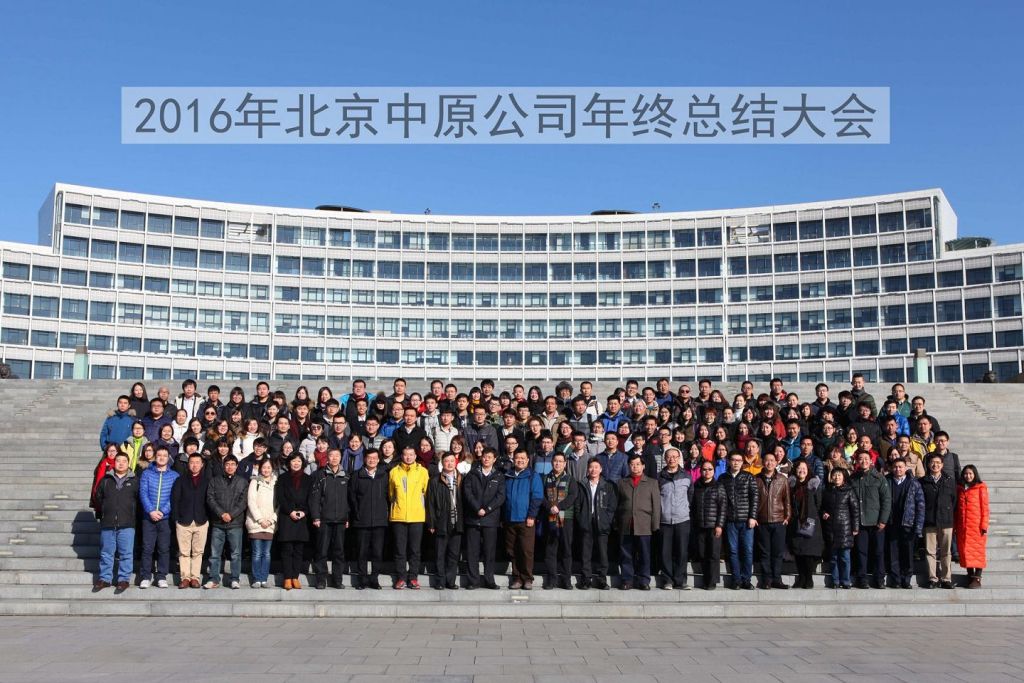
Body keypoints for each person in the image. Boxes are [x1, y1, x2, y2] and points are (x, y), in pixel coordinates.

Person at [615, 453, 661, 590]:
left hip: (644, 524)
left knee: (644, 554)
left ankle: (643, 580)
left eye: (638, 464)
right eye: (632, 464)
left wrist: (655, 524)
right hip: (626, 523)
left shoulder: (652, 483)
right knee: (626, 554)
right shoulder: (622, 483)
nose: (635, 467)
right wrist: (616, 523)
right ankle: (627, 580)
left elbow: (656, 506)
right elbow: (617, 504)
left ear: (643, 466)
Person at [93, 451, 138, 592]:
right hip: (108, 522)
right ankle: (105, 579)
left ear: (128, 463)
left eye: (124, 461)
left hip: (127, 523)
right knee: (106, 552)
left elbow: (139, 501)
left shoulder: (135, 481)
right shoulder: (106, 480)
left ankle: (123, 579)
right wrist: (105, 511)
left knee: (126, 553)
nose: (121, 463)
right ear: (114, 463)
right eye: (118, 461)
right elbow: (98, 498)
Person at [463, 447, 506, 590]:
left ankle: (489, 579)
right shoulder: (472, 474)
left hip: (491, 519)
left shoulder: (499, 476)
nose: (486, 459)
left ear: (494, 459)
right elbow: (467, 492)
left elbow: (500, 496)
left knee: (489, 551)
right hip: (473, 517)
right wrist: (477, 508)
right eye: (484, 456)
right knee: (472, 552)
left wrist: (487, 510)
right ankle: (473, 581)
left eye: (489, 457)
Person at [137, 446, 179, 589]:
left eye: (164, 455)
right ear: (155, 456)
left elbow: (174, 497)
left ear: (168, 458)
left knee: (164, 548)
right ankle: (145, 576)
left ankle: (161, 576)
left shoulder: (174, 476)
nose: (161, 458)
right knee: (147, 548)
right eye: (159, 455)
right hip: (148, 517)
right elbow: (143, 493)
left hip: (165, 518)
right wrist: (150, 511)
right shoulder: (147, 473)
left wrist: (162, 511)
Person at [388, 445, 429, 589]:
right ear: (402, 456)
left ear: (415, 456)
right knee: (400, 550)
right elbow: (391, 494)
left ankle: (413, 578)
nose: (408, 457)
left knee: (415, 550)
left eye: (411, 454)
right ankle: (401, 578)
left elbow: (426, 492)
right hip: (398, 516)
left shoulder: (423, 472)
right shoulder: (394, 471)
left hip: (417, 516)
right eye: (406, 454)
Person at [205, 453, 248, 589]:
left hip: (235, 523)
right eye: (227, 464)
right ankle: (214, 579)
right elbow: (210, 499)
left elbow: (243, 502)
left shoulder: (242, 482)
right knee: (215, 554)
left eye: (233, 464)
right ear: (223, 466)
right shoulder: (215, 481)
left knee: (235, 554)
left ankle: (235, 578)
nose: (230, 467)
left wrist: (231, 515)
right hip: (218, 523)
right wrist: (221, 513)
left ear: (236, 466)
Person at [309, 448, 351, 589]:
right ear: (327, 458)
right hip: (324, 519)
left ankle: (337, 580)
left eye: (337, 455)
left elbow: (349, 500)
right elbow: (314, 498)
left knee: (339, 552)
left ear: (341, 458)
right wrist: (316, 516)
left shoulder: (346, 476)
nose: (334, 458)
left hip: (341, 520)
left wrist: (347, 517)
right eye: (331, 455)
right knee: (322, 551)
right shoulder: (320, 475)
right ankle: (321, 580)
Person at [850, 450, 891, 589]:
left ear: (871, 461)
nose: (863, 461)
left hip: (876, 522)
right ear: (857, 461)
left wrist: (883, 520)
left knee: (878, 551)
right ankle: (862, 578)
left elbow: (886, 500)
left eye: (866, 458)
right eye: (860, 459)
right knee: (861, 552)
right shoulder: (853, 478)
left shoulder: (879, 478)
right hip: (860, 523)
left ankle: (879, 579)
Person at [349, 448, 389, 590]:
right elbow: (352, 497)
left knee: (377, 552)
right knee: (362, 552)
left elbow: (388, 496)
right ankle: (362, 579)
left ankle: (374, 579)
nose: (372, 460)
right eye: (369, 458)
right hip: (362, 520)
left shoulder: (384, 475)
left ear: (378, 460)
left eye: (374, 458)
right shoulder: (357, 475)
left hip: (379, 521)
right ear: (365, 459)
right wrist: (357, 513)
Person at [575, 457, 617, 590]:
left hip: (602, 523)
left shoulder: (608, 485)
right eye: (591, 467)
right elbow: (577, 505)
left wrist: (607, 520)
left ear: (601, 469)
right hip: (586, 521)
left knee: (602, 553)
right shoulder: (582, 484)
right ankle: (586, 579)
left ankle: (601, 579)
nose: (593, 470)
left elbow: (612, 506)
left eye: (596, 467)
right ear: (588, 469)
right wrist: (580, 518)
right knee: (585, 552)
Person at [504, 449, 543, 590]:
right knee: (512, 550)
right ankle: (517, 578)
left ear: (527, 460)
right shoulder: (508, 475)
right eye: (517, 458)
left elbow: (537, 497)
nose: (520, 460)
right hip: (510, 519)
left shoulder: (533, 476)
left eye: (522, 458)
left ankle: (527, 578)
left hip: (526, 519)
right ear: (513, 460)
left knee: (526, 550)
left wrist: (531, 515)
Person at [719, 452, 759, 590]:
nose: (736, 462)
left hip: (746, 521)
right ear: (729, 461)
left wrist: (752, 516)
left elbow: (755, 498)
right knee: (733, 551)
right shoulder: (723, 478)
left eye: (739, 460)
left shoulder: (748, 477)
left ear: (742, 462)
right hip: (730, 521)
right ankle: (736, 580)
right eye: (733, 460)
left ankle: (746, 580)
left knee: (747, 550)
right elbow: (721, 499)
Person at [171, 451, 209, 588]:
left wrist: (207, 518)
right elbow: (175, 500)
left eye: (197, 462)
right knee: (184, 552)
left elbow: (209, 500)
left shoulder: (207, 481)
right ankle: (185, 578)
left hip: (201, 520)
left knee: (198, 552)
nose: (194, 465)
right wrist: (176, 518)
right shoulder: (180, 480)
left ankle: (195, 578)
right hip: (183, 521)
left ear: (202, 464)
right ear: (188, 464)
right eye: (192, 462)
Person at [886, 457, 926, 589]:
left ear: (905, 468)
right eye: (895, 467)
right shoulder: (887, 481)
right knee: (893, 552)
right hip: (892, 523)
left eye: (900, 467)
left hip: (908, 523)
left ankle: (906, 579)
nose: (898, 469)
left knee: (908, 553)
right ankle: (896, 579)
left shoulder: (914, 483)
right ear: (892, 468)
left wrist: (918, 526)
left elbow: (920, 505)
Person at [540, 452, 577, 590]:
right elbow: (541, 496)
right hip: (550, 516)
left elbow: (572, 496)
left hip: (565, 517)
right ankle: (552, 579)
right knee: (551, 549)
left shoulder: (570, 479)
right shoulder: (545, 478)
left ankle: (566, 579)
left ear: (565, 463)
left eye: (560, 461)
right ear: (552, 462)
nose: (558, 463)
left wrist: (559, 507)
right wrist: (550, 507)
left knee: (566, 549)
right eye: (555, 461)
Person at [426, 452, 464, 590]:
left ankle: (450, 581)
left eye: (452, 461)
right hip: (441, 521)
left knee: (454, 555)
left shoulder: (461, 479)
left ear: (456, 462)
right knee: (440, 554)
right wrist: (431, 522)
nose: (449, 463)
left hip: (457, 522)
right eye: (446, 461)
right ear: (442, 463)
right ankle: (440, 581)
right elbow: (430, 503)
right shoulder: (435, 480)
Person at [657, 447, 692, 590]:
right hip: (664, 520)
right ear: (665, 459)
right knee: (665, 552)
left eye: (675, 457)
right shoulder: (659, 477)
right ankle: (667, 580)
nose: (672, 459)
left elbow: (690, 496)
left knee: (682, 551)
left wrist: (686, 510)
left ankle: (680, 580)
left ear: (679, 458)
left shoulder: (687, 476)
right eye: (669, 457)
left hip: (682, 519)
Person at [276, 452, 312, 590]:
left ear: (302, 463)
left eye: (298, 461)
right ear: (289, 463)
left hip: (302, 518)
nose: (296, 463)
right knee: (287, 549)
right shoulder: (283, 478)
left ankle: (295, 577)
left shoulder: (308, 479)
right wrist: (290, 511)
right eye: (293, 461)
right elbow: (280, 497)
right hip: (287, 517)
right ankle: (287, 578)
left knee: (298, 550)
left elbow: (311, 498)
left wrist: (304, 511)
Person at [920, 453, 957, 589]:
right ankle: (932, 578)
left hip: (946, 520)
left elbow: (954, 501)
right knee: (930, 551)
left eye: (938, 463)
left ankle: (946, 579)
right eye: (932, 462)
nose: (935, 465)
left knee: (946, 551)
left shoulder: (949, 481)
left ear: (942, 465)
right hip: (929, 521)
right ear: (928, 464)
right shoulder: (922, 482)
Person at [755, 451, 791, 589]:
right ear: (762, 462)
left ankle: (777, 579)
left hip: (779, 520)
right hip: (762, 520)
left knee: (777, 552)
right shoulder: (756, 479)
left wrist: (787, 516)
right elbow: (753, 500)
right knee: (765, 553)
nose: (769, 463)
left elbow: (787, 500)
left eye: (772, 460)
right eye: (767, 460)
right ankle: (767, 580)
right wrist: (754, 517)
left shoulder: (782, 479)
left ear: (776, 463)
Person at [821, 468, 860, 589]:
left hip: (845, 528)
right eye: (835, 475)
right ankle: (835, 581)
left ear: (843, 477)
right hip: (831, 528)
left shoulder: (849, 491)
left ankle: (846, 581)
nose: (837, 477)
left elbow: (855, 510)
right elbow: (821, 506)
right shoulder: (827, 491)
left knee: (845, 557)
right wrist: (823, 513)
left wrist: (855, 527)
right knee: (833, 558)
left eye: (839, 475)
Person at [787, 460, 823, 589]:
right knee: (798, 551)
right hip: (795, 522)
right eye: (799, 468)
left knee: (808, 552)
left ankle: (809, 578)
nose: (801, 470)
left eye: (804, 468)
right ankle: (801, 577)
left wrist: (811, 515)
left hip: (810, 522)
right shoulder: (791, 485)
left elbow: (818, 504)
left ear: (808, 470)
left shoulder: (814, 485)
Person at [690, 459, 726, 590]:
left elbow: (723, 507)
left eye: (710, 469)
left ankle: (712, 581)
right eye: (704, 469)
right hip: (700, 526)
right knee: (702, 553)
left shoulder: (719, 486)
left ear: (714, 471)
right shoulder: (696, 486)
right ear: (700, 471)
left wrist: (719, 525)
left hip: (713, 526)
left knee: (713, 554)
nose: (707, 472)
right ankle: (706, 578)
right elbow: (693, 506)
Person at [245, 458, 278, 588]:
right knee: (257, 552)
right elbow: (251, 502)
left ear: (272, 469)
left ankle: (264, 578)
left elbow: (279, 505)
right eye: (264, 467)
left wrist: (271, 520)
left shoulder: (276, 483)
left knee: (267, 553)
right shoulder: (255, 482)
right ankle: (256, 578)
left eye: (268, 467)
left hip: (270, 524)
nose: (266, 470)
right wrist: (260, 519)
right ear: (260, 469)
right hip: (256, 523)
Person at [955, 465, 989, 589]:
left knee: (977, 552)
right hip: (963, 527)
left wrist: (984, 524)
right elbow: (956, 509)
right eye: (966, 474)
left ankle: (977, 577)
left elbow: (985, 507)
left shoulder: (981, 487)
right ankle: (970, 575)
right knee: (965, 551)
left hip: (976, 526)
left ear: (975, 474)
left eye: (970, 473)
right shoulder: (960, 488)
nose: (968, 476)